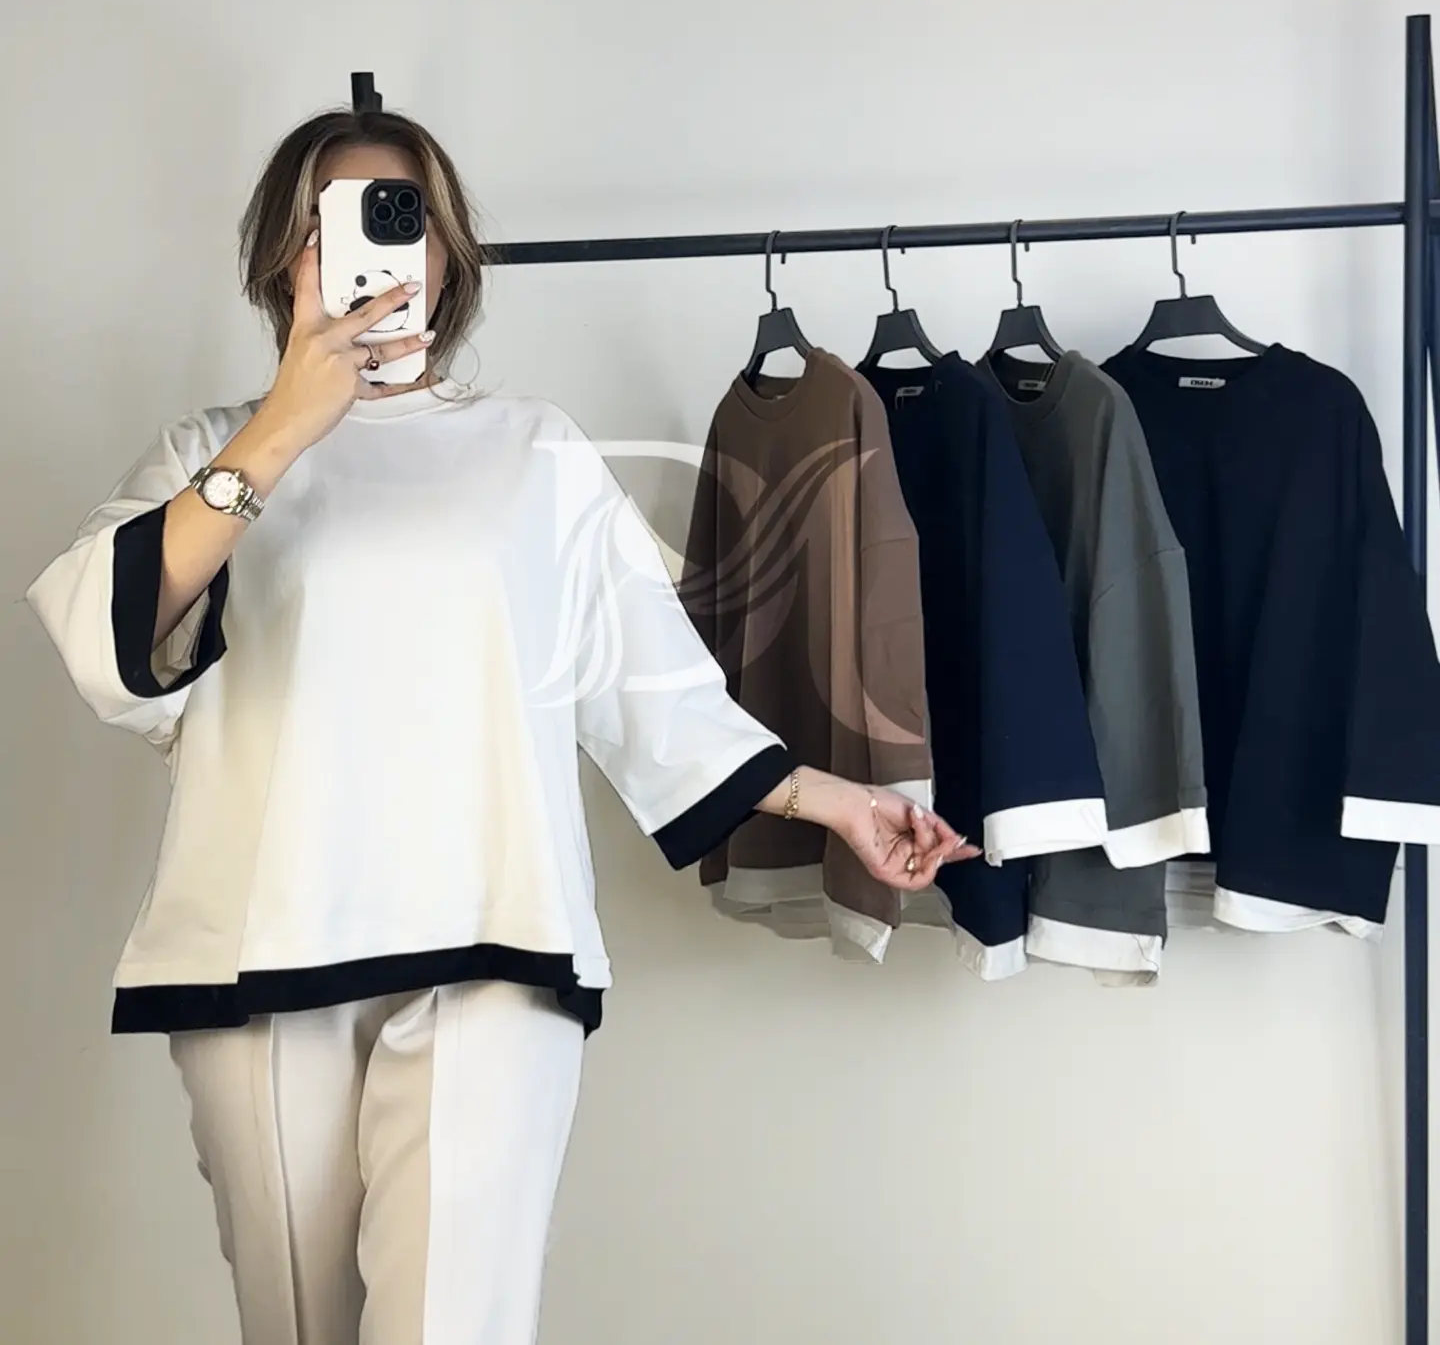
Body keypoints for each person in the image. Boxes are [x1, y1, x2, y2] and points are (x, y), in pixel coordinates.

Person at [26, 106, 978, 1345]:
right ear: (283, 256)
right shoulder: (209, 455)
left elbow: (653, 686)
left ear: (447, 253)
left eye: (402, 217)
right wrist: (284, 427)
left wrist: (838, 800)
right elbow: (106, 639)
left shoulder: (536, 452)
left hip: (496, 944)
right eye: (333, 222)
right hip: (261, 954)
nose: (374, 251)